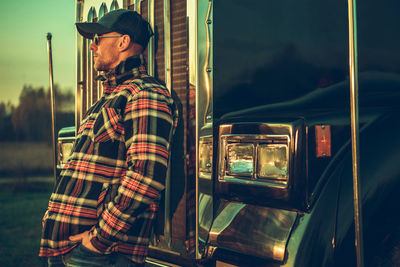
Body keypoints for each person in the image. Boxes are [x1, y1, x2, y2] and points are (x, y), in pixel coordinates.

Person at [39, 9, 178, 267]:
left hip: (102, 254)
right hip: (73, 249)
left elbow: (146, 176)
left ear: (123, 42)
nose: (92, 46)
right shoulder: (106, 101)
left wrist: (99, 239)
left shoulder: (146, 93)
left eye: (99, 38)